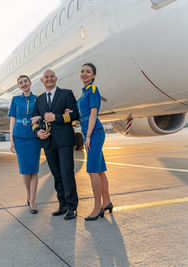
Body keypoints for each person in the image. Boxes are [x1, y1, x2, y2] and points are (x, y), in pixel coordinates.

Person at [32, 69, 79, 220]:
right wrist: (38, 132)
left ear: (56, 78)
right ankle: (62, 204)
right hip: (48, 141)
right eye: (46, 77)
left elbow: (74, 114)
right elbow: (34, 120)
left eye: (52, 77)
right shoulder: (39, 99)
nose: (49, 79)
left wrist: (56, 117)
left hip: (64, 141)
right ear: (42, 80)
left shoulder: (66, 94)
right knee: (56, 174)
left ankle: (72, 206)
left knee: (67, 173)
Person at [75, 63, 112, 221]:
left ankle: (98, 208)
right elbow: (82, 115)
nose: (84, 74)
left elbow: (93, 114)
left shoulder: (93, 90)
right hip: (89, 133)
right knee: (99, 170)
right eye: (82, 71)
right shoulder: (83, 94)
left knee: (91, 170)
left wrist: (88, 136)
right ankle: (107, 202)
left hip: (94, 133)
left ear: (93, 76)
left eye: (88, 72)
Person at [8, 75, 41, 214]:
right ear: (19, 86)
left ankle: (32, 200)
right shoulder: (15, 100)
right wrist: (11, 140)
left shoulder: (37, 99)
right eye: (21, 83)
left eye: (25, 81)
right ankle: (29, 195)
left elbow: (42, 114)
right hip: (20, 137)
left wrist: (39, 117)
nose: (23, 84)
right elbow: (12, 120)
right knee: (25, 170)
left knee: (34, 169)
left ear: (30, 82)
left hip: (34, 137)